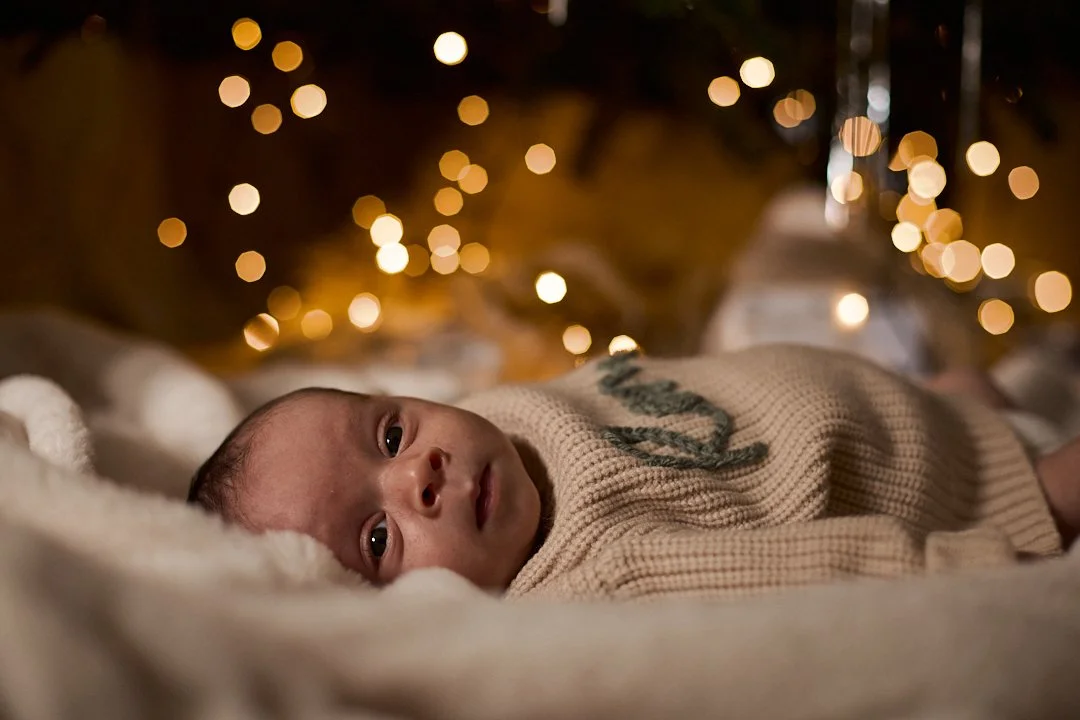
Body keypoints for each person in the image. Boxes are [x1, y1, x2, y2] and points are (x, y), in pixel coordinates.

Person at [187, 345, 1079, 600]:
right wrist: (992, 555)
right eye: (379, 537)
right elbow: (819, 576)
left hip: (899, 400)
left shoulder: (491, 417)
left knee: (989, 381)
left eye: (388, 434)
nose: (418, 474)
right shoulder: (597, 575)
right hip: (966, 488)